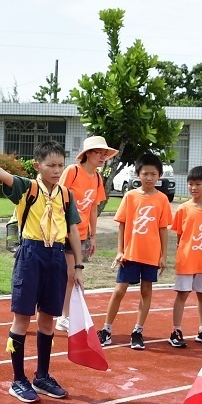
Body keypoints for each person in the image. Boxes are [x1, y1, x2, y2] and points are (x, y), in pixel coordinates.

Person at [0, 142, 83, 403]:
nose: (56, 170)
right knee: (22, 319)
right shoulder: (27, 188)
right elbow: (1, 174)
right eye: (50, 165)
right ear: (37, 165)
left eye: (60, 165)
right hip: (31, 255)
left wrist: (77, 265)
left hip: (56, 256)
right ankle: (18, 379)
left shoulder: (65, 195)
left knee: (48, 320)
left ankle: (42, 376)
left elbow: (73, 230)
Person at [98, 153, 172, 350]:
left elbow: (163, 229)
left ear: (159, 176)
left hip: (151, 254)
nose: (149, 177)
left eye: (153, 174)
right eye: (145, 173)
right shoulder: (130, 196)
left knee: (146, 291)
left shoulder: (163, 199)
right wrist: (119, 250)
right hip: (130, 253)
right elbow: (122, 224)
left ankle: (138, 331)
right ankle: (106, 329)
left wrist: (163, 255)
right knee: (119, 290)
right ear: (138, 174)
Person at [56, 136, 116, 333]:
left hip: (80, 234)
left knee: (72, 275)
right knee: (68, 274)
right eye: (99, 152)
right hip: (62, 232)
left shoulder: (98, 178)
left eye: (105, 154)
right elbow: (57, 196)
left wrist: (93, 236)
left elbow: (92, 209)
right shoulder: (72, 172)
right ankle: (62, 316)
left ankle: (63, 315)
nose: (102, 156)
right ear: (87, 154)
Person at [169, 166, 202, 348]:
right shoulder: (183, 209)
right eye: (190, 184)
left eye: (198, 184)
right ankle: (176, 330)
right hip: (186, 259)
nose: (194, 187)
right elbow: (179, 234)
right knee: (183, 294)